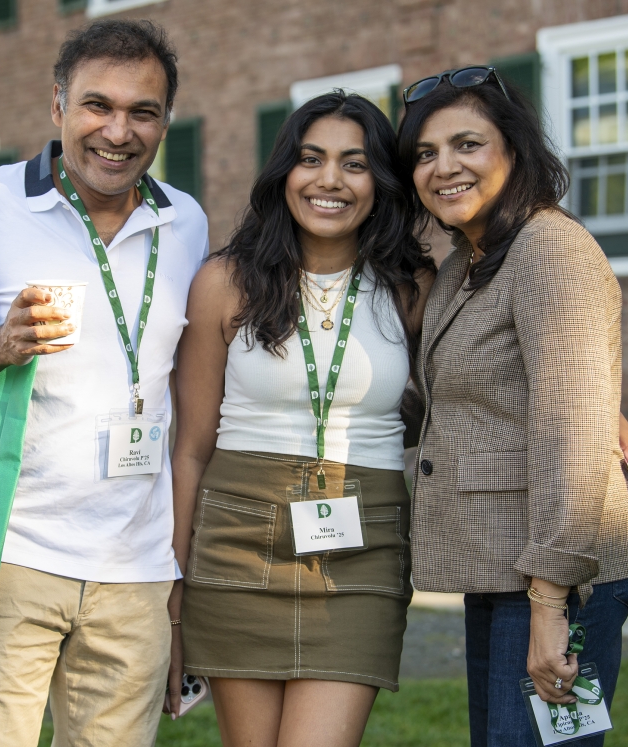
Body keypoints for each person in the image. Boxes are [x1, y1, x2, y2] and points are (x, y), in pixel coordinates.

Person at [0, 20, 208, 747]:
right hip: (14, 556)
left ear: (165, 120)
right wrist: (0, 345)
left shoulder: (184, 221)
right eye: (98, 105)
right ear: (58, 104)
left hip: (136, 569)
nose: (118, 131)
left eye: (143, 111)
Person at [397, 67, 628, 746]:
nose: (444, 167)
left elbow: (571, 435)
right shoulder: (469, 260)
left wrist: (550, 601)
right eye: (425, 153)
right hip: (508, 559)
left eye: (466, 145)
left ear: (513, 149)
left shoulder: (551, 250)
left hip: (564, 571)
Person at [168, 91, 436, 747]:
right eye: (311, 159)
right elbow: (191, 448)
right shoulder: (225, 283)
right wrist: (171, 587)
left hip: (361, 549)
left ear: (380, 181)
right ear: (284, 172)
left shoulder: (413, 286)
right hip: (234, 544)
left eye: (354, 163)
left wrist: (608, 414)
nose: (329, 180)